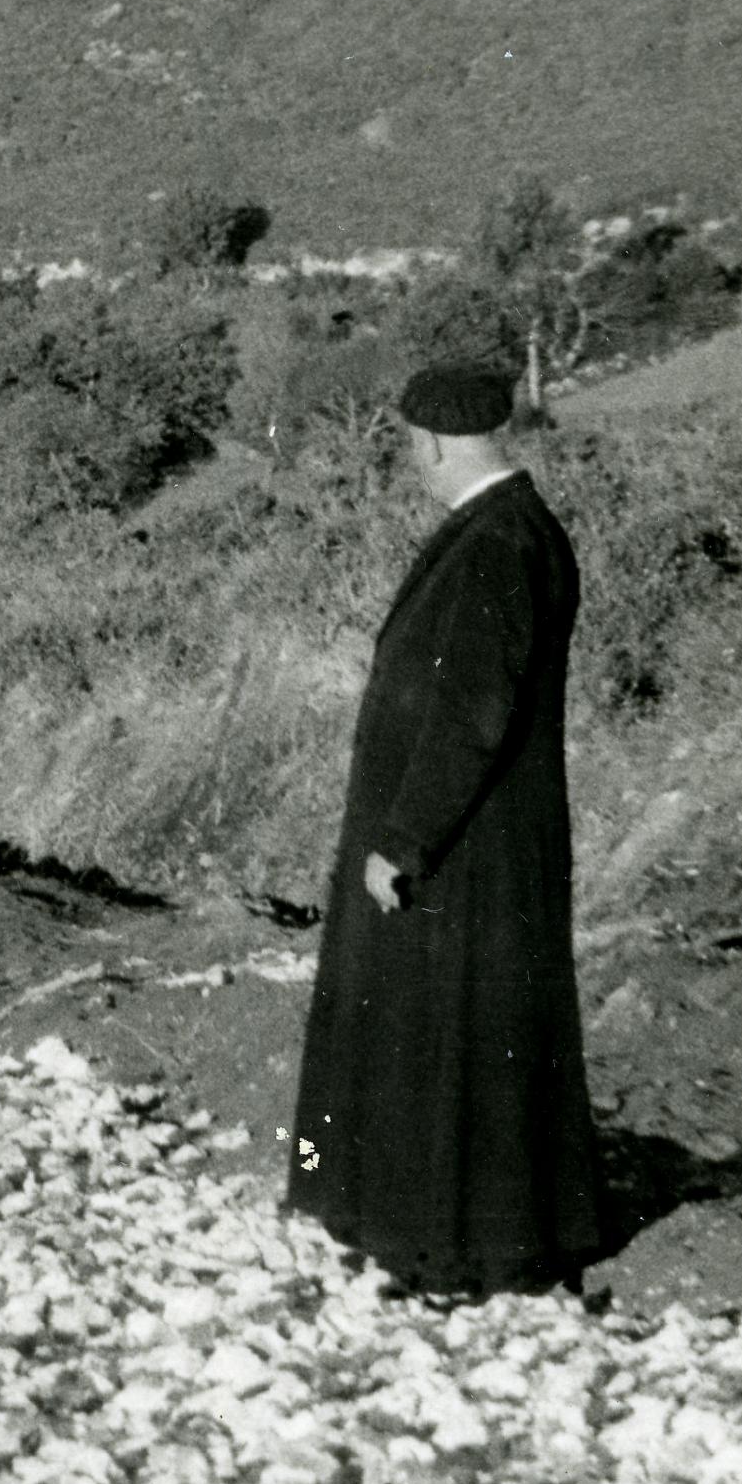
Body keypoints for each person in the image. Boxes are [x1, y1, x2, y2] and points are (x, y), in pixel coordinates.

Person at [282, 363, 607, 1294]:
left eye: (406, 444)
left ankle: (460, 1249)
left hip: (471, 844)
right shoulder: (507, 529)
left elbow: (471, 710)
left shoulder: (498, 541)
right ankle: (389, 1219)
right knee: (454, 1035)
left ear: (426, 442)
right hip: (479, 834)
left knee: (450, 1035)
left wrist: (405, 839)